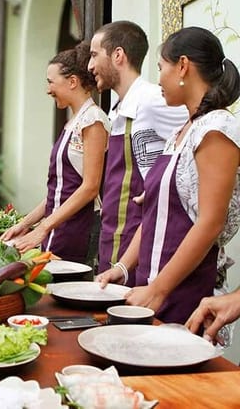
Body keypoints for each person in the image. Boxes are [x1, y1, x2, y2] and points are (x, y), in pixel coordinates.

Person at [97, 26, 240, 324]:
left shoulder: (217, 129)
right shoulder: (181, 131)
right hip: (151, 286)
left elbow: (210, 223)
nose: (158, 78)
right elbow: (154, 211)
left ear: (183, 66)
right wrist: (123, 268)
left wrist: (159, 289)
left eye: (161, 67)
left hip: (183, 296)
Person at [88, 20, 188, 284]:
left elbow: (197, 132)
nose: (89, 66)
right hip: (113, 239)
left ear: (118, 55)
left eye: (94, 55)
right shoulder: (119, 107)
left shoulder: (152, 99)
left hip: (138, 243)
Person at [1, 42, 109, 262]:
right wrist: (25, 224)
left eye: (51, 82)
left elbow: (90, 188)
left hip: (79, 226)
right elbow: (59, 191)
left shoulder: (93, 121)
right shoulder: (75, 121)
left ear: (72, 82)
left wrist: (43, 228)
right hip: (61, 225)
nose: (48, 89)